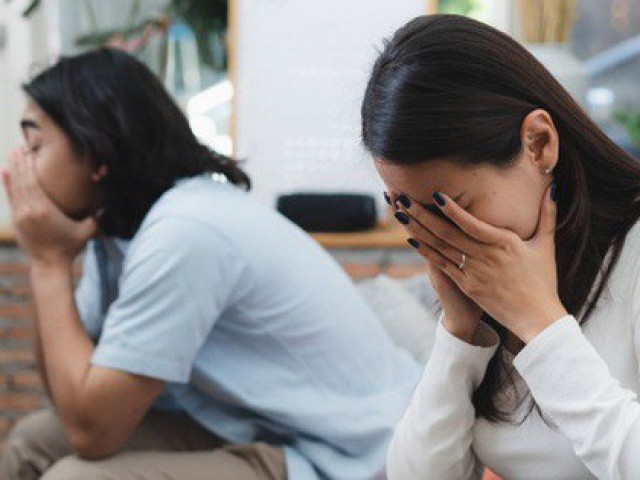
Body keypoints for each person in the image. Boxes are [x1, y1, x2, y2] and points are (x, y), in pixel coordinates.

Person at [0, 48, 419, 480]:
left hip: (342, 454)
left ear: (97, 157)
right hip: (252, 426)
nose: (17, 167)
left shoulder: (184, 232)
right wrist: (48, 260)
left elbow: (94, 431)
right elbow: (70, 398)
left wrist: (48, 265)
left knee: (75, 477)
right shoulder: (117, 234)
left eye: (34, 146)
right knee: (35, 441)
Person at [361, 13, 640, 480]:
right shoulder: (483, 297)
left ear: (539, 144)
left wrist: (540, 322)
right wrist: (458, 332)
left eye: (455, 207)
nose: (440, 235)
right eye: (412, 213)